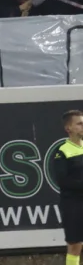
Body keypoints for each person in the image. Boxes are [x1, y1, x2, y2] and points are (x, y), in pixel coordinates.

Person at [54, 110, 83, 265]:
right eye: (79, 124)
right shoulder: (62, 152)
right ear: (68, 128)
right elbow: (63, 181)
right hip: (73, 205)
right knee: (75, 246)